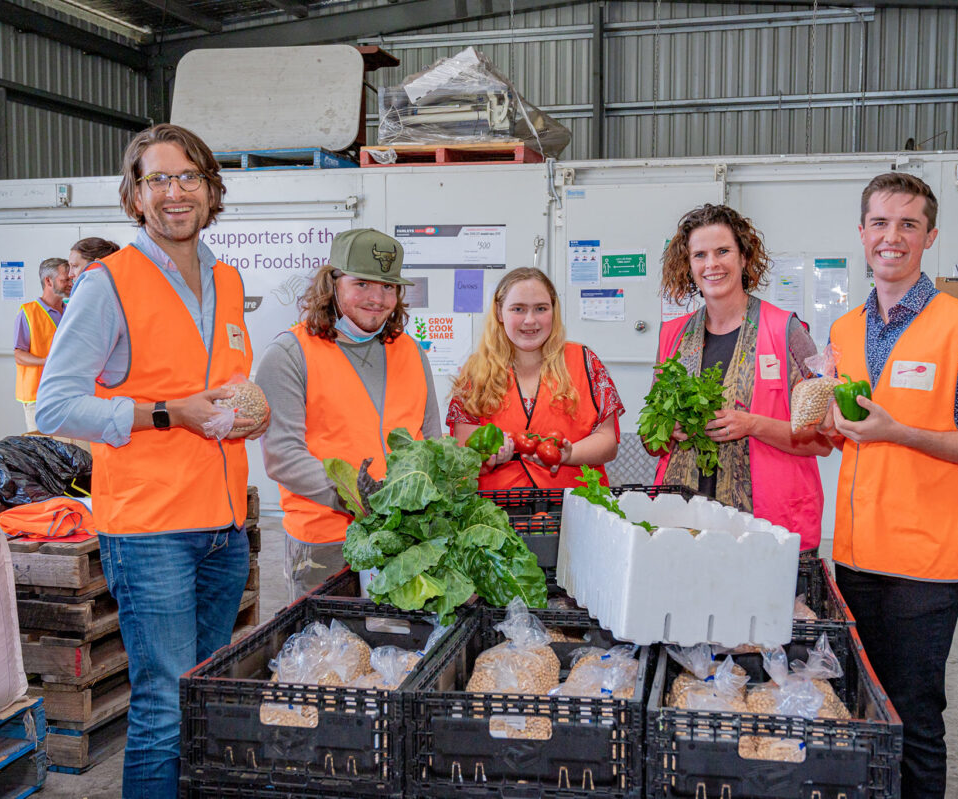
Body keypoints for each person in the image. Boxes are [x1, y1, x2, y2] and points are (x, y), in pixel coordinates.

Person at [35, 123, 268, 798]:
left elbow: (226, 385)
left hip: (223, 526)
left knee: (200, 696)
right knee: (164, 704)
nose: (174, 192)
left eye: (188, 176)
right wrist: (167, 411)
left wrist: (254, 412)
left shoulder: (227, 279)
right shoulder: (108, 283)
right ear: (134, 197)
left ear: (211, 188)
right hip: (150, 529)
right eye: (157, 179)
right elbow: (56, 405)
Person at [824, 172, 958, 799]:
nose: (892, 236)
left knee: (915, 717)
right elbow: (848, 431)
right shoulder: (845, 330)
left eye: (908, 224)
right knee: (866, 712)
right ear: (861, 233)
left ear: (930, 236)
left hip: (927, 562)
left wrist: (898, 432)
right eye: (880, 222)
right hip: (857, 552)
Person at [256, 228, 441, 601]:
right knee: (328, 653)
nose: (378, 299)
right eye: (362, 284)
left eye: (388, 287)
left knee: (400, 652)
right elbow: (283, 457)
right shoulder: (289, 354)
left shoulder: (410, 351)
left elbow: (432, 439)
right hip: (325, 543)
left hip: (406, 540)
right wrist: (358, 499)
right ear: (332, 283)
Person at [649, 204, 832, 551]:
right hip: (687, 526)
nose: (711, 265)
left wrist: (752, 425)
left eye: (722, 252)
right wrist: (666, 430)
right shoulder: (672, 336)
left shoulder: (786, 330)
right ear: (688, 266)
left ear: (744, 257)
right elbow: (651, 440)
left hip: (770, 527)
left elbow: (822, 440)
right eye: (699, 255)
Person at [448, 267, 623, 489]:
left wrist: (567, 455)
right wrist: (489, 459)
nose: (530, 320)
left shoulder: (585, 362)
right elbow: (463, 455)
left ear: (553, 311)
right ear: (500, 313)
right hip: (496, 514)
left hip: (575, 507)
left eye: (541, 308)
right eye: (518, 309)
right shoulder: (475, 372)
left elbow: (608, 442)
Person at [13, 257, 70, 431]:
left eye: (71, 279)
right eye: (65, 279)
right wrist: (47, 361)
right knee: (42, 452)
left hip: (68, 395)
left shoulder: (72, 310)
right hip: (38, 397)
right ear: (48, 281)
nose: (70, 283)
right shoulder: (28, 312)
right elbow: (19, 355)